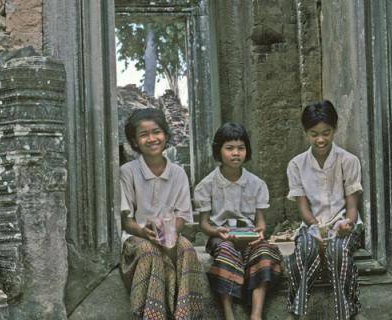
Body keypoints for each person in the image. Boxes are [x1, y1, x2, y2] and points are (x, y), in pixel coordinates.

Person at [120, 108, 203, 320]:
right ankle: (150, 315)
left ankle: (186, 315)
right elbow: (126, 219)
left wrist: (170, 233)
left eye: (156, 132)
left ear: (165, 135)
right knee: (150, 252)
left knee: (187, 248)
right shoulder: (128, 172)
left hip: (170, 234)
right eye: (143, 134)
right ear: (135, 142)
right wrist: (143, 231)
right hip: (136, 237)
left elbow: (182, 215)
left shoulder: (177, 173)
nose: (151, 139)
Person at [194, 123, 282, 320]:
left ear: (247, 151)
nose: (236, 153)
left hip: (249, 236)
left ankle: (256, 314)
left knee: (265, 252)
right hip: (221, 237)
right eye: (229, 148)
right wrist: (218, 233)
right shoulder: (206, 185)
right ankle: (229, 314)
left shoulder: (257, 184)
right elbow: (205, 224)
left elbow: (260, 222)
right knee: (225, 253)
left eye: (241, 148)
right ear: (219, 151)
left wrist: (259, 232)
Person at [286, 100, 363, 320]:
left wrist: (347, 223)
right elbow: (303, 207)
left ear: (335, 130)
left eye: (326, 133)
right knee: (304, 251)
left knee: (337, 251)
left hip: (342, 224)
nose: (320, 139)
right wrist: (314, 227)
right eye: (314, 134)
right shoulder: (296, 165)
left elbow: (352, 205)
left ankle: (349, 312)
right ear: (306, 133)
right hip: (312, 225)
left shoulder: (348, 160)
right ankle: (297, 312)